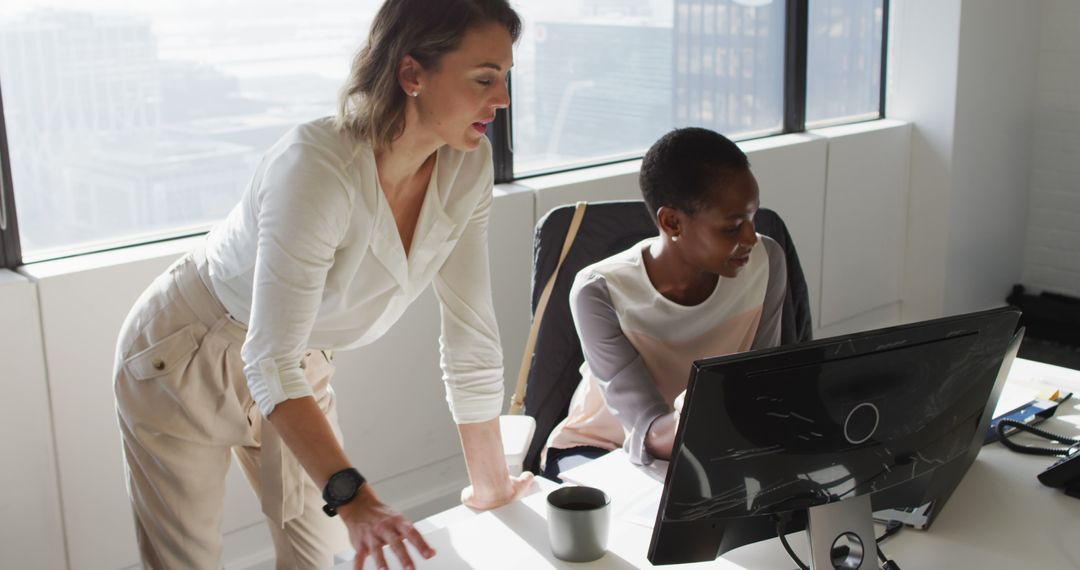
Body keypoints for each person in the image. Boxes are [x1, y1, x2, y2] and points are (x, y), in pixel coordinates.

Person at [112, 1, 533, 568]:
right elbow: (267, 358)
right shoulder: (317, 166)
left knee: (324, 560)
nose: (502, 99)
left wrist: (492, 490)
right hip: (189, 350)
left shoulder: (468, 165)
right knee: (186, 562)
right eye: (484, 78)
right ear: (412, 74)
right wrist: (355, 498)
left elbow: (471, 334)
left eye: (505, 77)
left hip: (295, 363)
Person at [540, 127, 788, 480]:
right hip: (602, 449)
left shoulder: (767, 261)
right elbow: (649, 432)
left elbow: (760, 385)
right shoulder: (598, 291)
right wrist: (707, 413)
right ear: (672, 222)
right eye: (733, 228)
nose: (751, 237)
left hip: (710, 446)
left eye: (752, 218)